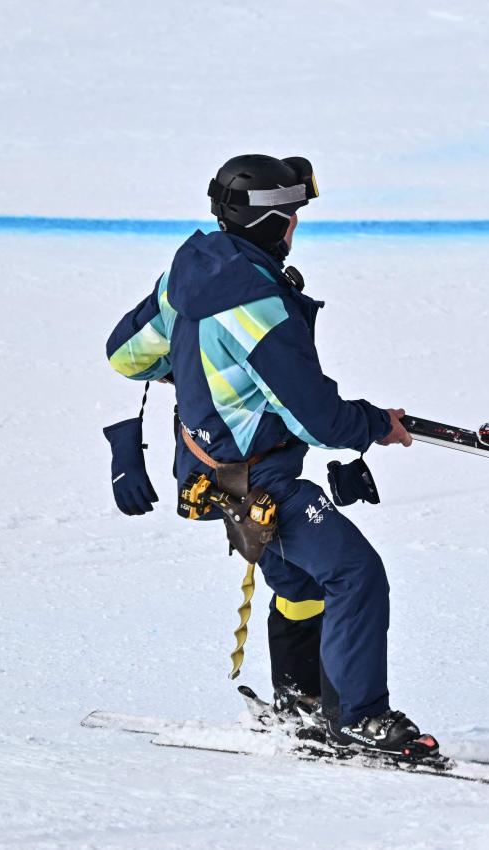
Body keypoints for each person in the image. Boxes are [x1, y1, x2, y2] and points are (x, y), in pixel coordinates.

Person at [103, 154, 430, 755]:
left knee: (301, 582)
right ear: (272, 221)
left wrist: (206, 372)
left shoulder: (192, 270)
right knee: (356, 573)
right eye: (294, 215)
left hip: (208, 474)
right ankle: (360, 718)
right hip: (265, 483)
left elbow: (126, 355)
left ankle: (300, 705)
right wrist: (376, 425)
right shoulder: (256, 301)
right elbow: (320, 419)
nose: (297, 226)